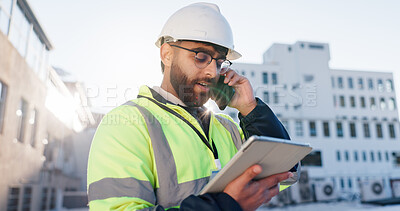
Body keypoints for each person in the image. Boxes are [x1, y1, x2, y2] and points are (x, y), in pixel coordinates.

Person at [87, 2, 299, 211]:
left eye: (219, 63)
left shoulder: (227, 129)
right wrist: (226, 206)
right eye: (201, 57)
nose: (212, 73)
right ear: (167, 54)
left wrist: (250, 109)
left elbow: (287, 172)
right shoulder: (128, 123)